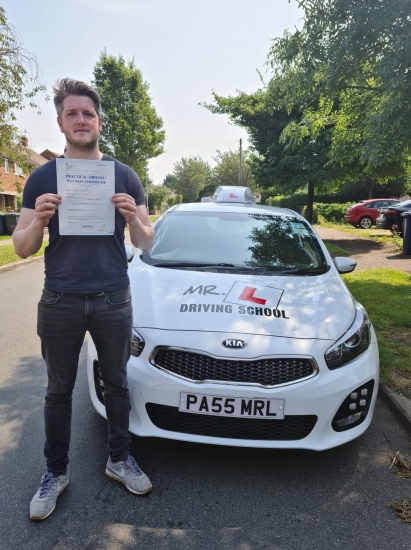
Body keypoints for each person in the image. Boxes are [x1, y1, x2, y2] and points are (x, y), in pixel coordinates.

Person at [12, 78, 154, 521]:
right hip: (61, 300)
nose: (80, 120)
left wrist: (133, 217)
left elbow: (146, 242)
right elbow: (20, 246)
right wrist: (41, 222)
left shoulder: (124, 174)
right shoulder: (42, 177)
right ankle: (55, 473)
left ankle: (119, 459)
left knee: (117, 383)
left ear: (99, 121)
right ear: (60, 122)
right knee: (58, 390)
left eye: (87, 113)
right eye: (71, 114)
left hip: (113, 297)